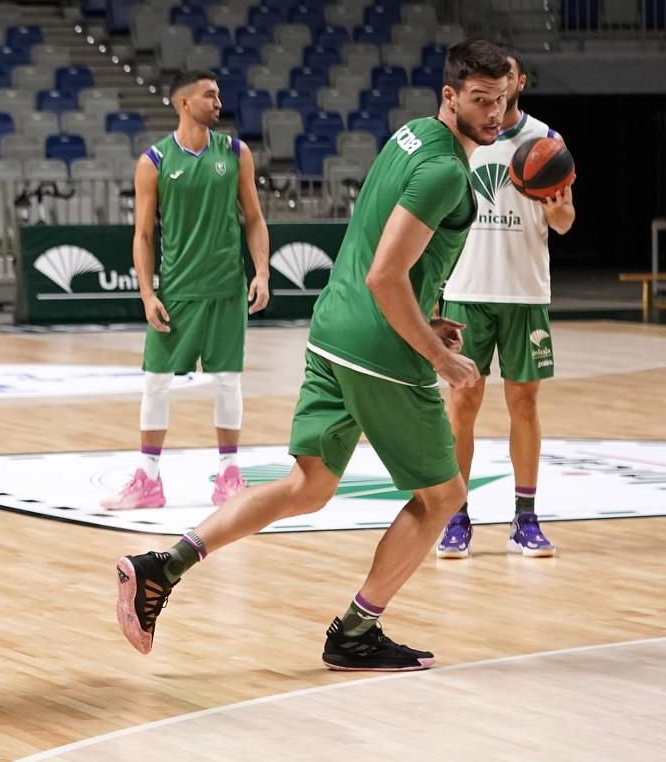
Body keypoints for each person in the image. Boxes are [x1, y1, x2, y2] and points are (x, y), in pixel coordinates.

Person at [115, 39, 510, 670]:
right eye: (481, 99)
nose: (494, 113)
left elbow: (375, 251)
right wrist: (438, 355)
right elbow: (386, 275)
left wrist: (426, 316)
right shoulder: (443, 171)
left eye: (504, 100)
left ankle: (163, 565)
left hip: (334, 330)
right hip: (380, 350)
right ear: (450, 96)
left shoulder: (409, 137)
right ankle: (355, 633)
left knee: (307, 485)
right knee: (441, 497)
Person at [100, 70, 271, 511]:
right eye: (209, 95)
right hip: (176, 291)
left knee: (229, 381)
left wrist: (262, 272)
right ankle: (148, 481)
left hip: (226, 288)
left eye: (219, 94)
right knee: (155, 382)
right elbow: (142, 235)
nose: (218, 102)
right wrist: (146, 293)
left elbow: (253, 217)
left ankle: (230, 476)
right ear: (184, 103)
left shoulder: (235, 152)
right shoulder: (154, 161)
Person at [436, 44, 575, 560]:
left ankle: (525, 517)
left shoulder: (547, 141)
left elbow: (564, 222)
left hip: (525, 291)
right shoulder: (465, 135)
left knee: (525, 403)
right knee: (462, 405)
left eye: (508, 81)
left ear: (518, 83)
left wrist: (558, 209)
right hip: (467, 291)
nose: (500, 92)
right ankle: (456, 516)